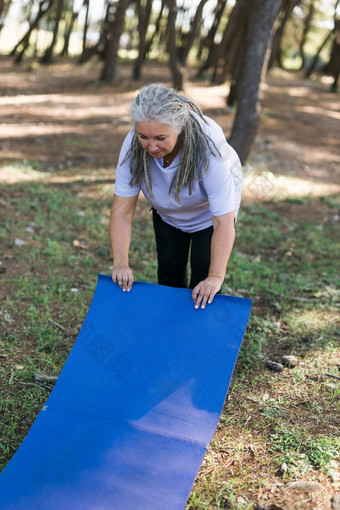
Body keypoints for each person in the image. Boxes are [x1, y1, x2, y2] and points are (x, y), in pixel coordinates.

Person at [109, 83, 242, 310]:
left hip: (208, 216)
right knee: (169, 272)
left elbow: (223, 222)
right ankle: (170, 332)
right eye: (144, 136)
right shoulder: (133, 145)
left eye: (160, 138)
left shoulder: (210, 148)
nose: (151, 146)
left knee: (204, 280)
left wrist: (216, 278)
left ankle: (199, 336)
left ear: (179, 127)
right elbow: (122, 210)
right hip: (167, 212)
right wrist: (121, 263)